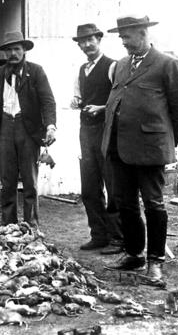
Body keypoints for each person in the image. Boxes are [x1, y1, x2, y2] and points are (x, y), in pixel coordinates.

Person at [101, 16, 178, 281]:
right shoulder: (120, 65)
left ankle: (155, 261)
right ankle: (134, 254)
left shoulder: (167, 64)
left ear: (142, 33)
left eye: (126, 36)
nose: (123, 41)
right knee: (125, 203)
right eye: (121, 37)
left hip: (150, 149)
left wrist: (164, 140)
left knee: (153, 204)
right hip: (119, 147)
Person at [0, 31, 56, 227]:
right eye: (9, 50)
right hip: (5, 129)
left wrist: (50, 126)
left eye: (17, 49)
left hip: (28, 128)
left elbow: (48, 101)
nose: (13, 53)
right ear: (4, 53)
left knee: (30, 181)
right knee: (7, 181)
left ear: (24, 50)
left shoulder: (36, 71)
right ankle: (9, 225)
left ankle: (31, 225)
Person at [70, 23, 123, 254]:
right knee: (89, 187)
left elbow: (122, 99)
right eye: (82, 41)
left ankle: (118, 238)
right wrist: (76, 102)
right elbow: (79, 97)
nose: (86, 45)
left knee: (112, 185)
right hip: (86, 132)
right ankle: (98, 234)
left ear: (99, 40)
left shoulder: (113, 66)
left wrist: (103, 108)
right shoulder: (82, 69)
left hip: (107, 131)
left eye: (90, 40)